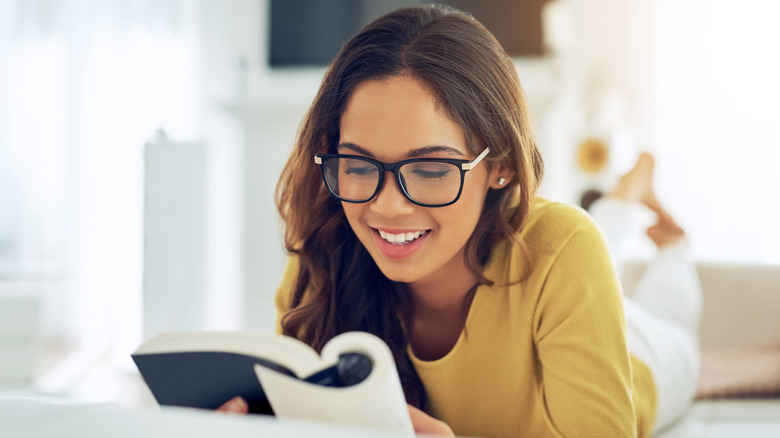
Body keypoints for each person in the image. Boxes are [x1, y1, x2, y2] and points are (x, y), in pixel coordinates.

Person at [219, 5, 700, 437]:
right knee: (599, 239)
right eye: (359, 165)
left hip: (649, 359)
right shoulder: (324, 260)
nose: (388, 207)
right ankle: (628, 192)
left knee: (659, 295)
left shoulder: (565, 247)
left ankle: (669, 239)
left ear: (501, 165)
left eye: (430, 169)